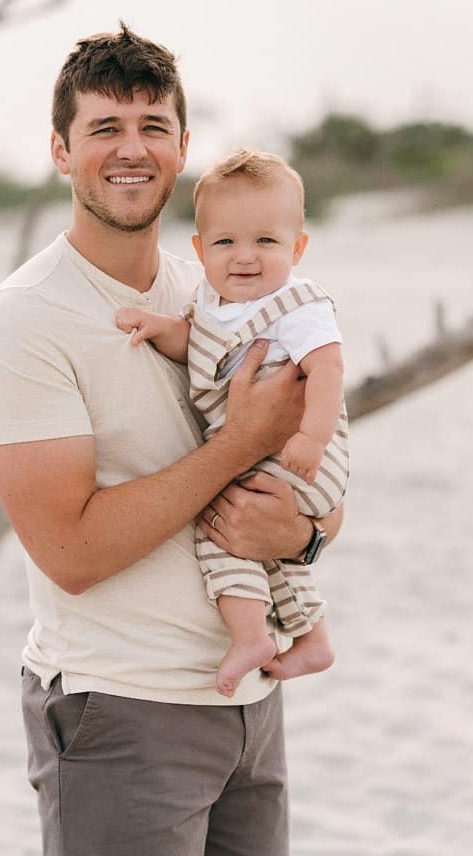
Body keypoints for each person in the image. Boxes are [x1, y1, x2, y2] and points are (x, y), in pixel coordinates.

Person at [0, 27, 338, 856]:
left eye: (152, 127)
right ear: (62, 151)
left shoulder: (222, 288)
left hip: (251, 709)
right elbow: (71, 549)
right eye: (105, 129)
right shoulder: (26, 319)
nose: (131, 149)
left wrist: (304, 539)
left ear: (181, 148)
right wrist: (240, 445)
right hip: (123, 713)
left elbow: (313, 491)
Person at [115, 146, 348, 698]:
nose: (245, 257)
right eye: (225, 242)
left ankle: (250, 637)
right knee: (260, 542)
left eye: (265, 241)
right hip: (265, 453)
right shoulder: (212, 303)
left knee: (220, 530)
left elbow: (328, 368)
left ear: (298, 247)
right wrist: (157, 327)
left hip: (301, 452)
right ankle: (311, 638)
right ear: (200, 250)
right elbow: (193, 344)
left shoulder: (297, 305)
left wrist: (312, 438)